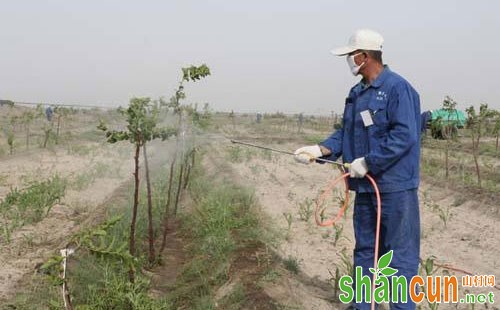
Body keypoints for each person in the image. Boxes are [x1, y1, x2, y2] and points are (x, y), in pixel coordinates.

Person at [294, 29, 421, 310]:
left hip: (395, 188)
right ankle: (362, 306)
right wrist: (319, 149)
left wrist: (368, 162)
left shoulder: (399, 89)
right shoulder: (357, 94)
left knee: (399, 256)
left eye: (351, 55)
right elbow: (346, 134)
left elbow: (404, 136)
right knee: (365, 251)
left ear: (364, 56)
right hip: (364, 187)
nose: (349, 61)